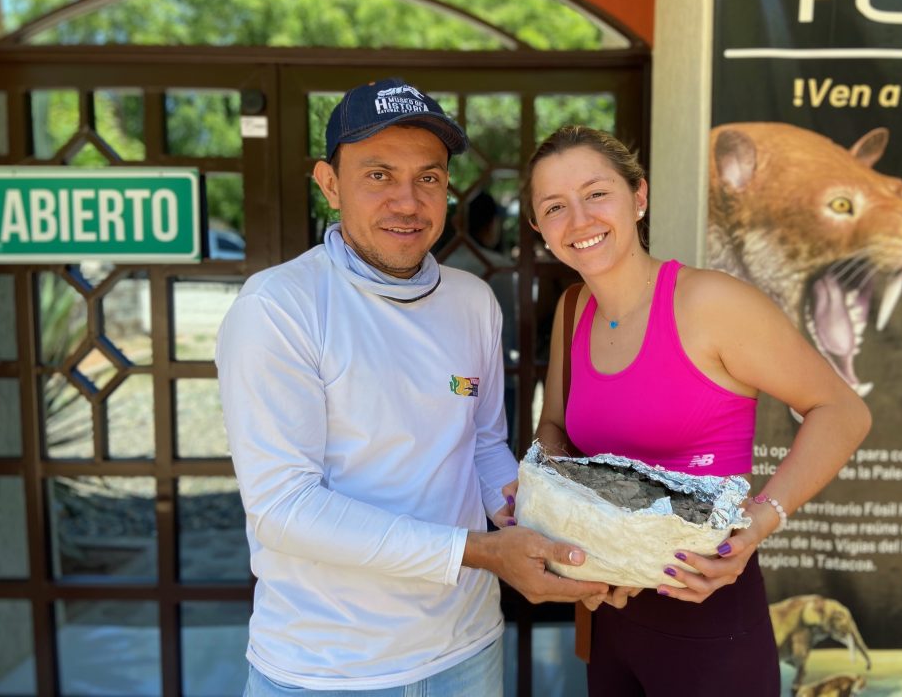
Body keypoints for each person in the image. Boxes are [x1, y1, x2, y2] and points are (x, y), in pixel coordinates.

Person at [215, 80, 608, 696]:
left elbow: (481, 444)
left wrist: (528, 515)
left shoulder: (471, 301)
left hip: (467, 649)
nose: (408, 201)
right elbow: (284, 509)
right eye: (378, 175)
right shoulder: (279, 306)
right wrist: (480, 553)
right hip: (327, 666)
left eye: (428, 178)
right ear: (328, 183)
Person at [522, 126, 872, 696]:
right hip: (606, 614)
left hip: (710, 623)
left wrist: (758, 522)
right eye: (555, 206)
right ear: (539, 227)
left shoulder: (711, 304)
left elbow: (842, 410)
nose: (580, 220)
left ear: (639, 197)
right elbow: (556, 429)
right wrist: (549, 495)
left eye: (596, 194)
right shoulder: (573, 308)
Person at [442, 191, 519, 444]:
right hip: (497, 380)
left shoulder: (439, 263)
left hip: (447, 384)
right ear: (491, 223)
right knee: (494, 448)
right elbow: (510, 333)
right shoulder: (499, 267)